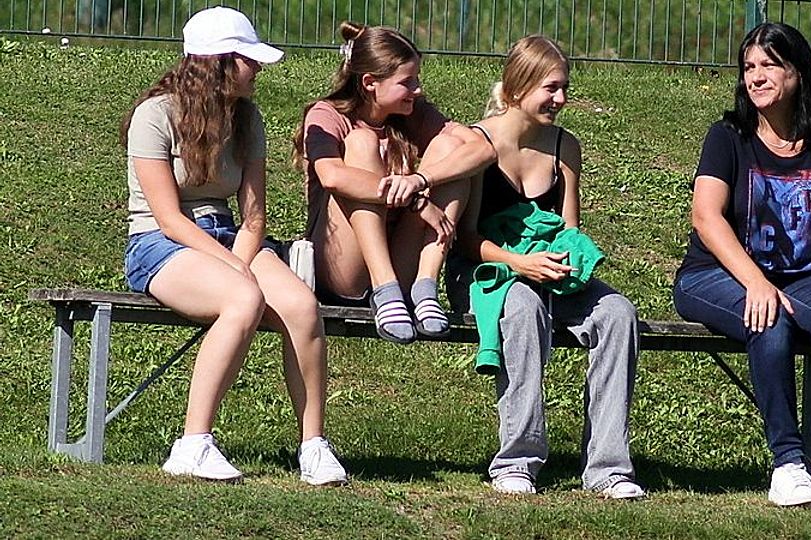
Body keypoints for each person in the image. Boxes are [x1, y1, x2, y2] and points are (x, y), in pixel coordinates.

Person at [121, 6, 347, 485]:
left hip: (228, 237)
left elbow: (254, 218)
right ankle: (193, 445)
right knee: (243, 299)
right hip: (160, 243)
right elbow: (168, 218)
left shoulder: (248, 118)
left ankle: (314, 446)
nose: (258, 67)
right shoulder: (153, 115)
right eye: (248, 58)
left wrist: (240, 261)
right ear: (218, 63)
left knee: (302, 307)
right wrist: (237, 271)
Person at [672, 22, 811, 507]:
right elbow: (706, 217)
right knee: (770, 318)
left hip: (802, 277)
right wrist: (756, 283)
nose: (756, 77)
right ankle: (788, 465)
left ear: (797, 73)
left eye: (769, 65)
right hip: (712, 275)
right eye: (748, 67)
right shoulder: (728, 137)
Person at [447, 35, 645, 500]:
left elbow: (569, 229)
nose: (561, 99)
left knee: (618, 313)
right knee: (522, 307)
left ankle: (608, 467)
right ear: (518, 87)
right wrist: (520, 263)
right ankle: (517, 460)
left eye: (564, 88)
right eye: (551, 88)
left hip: (548, 269)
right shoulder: (481, 143)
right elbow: (466, 240)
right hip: (486, 271)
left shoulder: (564, 146)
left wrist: (571, 262)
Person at [292, 22, 495, 344]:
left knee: (451, 150)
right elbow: (331, 175)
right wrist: (416, 200)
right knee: (361, 142)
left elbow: (482, 149)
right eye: (406, 82)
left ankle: (425, 286)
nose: (417, 89)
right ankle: (384, 288)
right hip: (343, 269)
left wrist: (420, 180)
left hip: (400, 259)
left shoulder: (412, 113)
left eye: (417, 79)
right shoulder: (327, 114)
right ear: (370, 83)